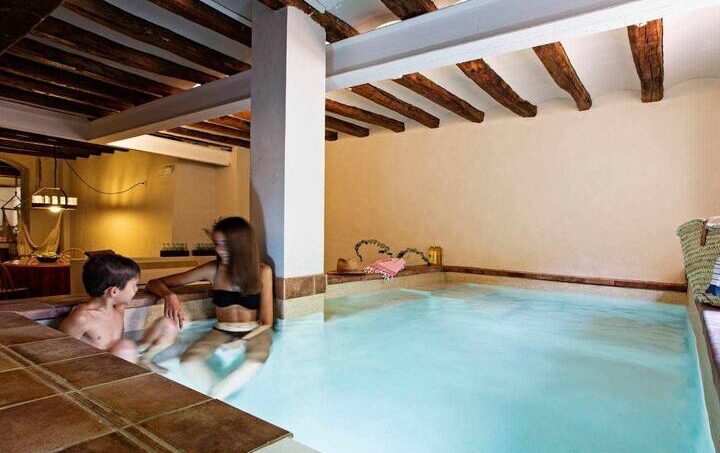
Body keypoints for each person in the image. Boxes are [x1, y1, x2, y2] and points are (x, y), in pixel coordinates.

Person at [146, 216, 274, 397]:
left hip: (256, 331)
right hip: (222, 330)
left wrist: (241, 341)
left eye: (226, 244)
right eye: (217, 244)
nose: (220, 250)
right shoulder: (213, 270)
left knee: (253, 361)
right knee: (188, 361)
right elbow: (154, 283)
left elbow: (267, 322)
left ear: (241, 244)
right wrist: (169, 295)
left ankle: (219, 396)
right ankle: (221, 399)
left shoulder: (262, 272)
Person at [59, 253, 178, 369]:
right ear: (114, 292)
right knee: (125, 348)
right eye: (134, 285)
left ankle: (145, 360)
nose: (136, 290)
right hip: (103, 367)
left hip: (125, 357)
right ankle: (137, 364)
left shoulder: (118, 309)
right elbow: (61, 350)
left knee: (167, 325)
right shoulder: (82, 318)